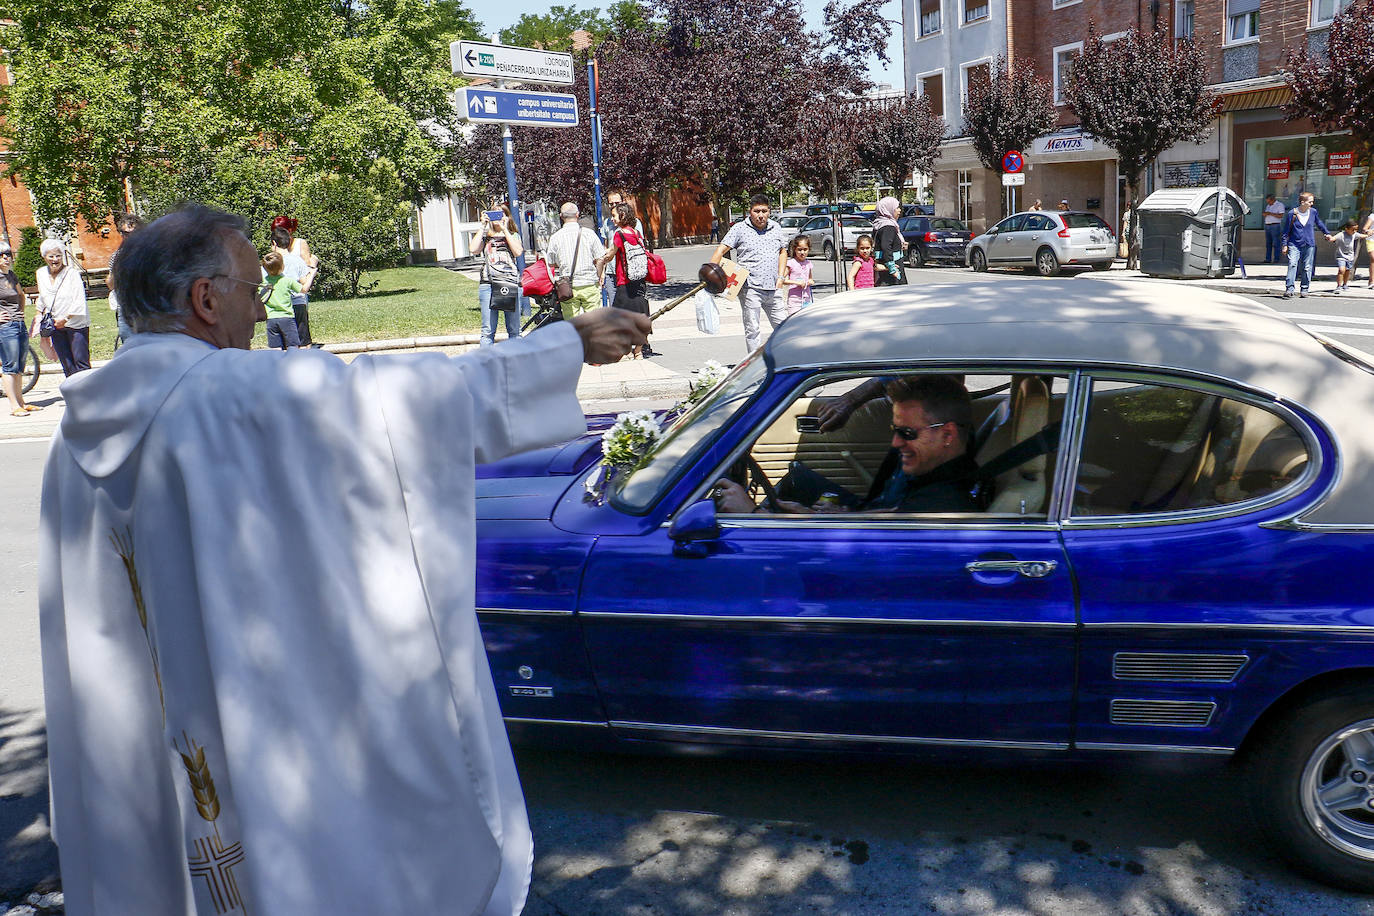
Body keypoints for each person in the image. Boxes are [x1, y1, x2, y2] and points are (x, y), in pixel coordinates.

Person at [38, 204, 649, 916]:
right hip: (246, 738)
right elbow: (406, 406)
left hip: (144, 750)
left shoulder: (71, 438)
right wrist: (565, 345)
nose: (262, 315)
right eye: (249, 289)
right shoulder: (228, 394)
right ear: (205, 300)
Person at [713, 375, 978, 514]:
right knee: (798, 478)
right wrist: (837, 513)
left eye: (907, 433)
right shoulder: (929, 472)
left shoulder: (941, 503)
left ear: (947, 435)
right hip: (864, 515)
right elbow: (885, 515)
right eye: (894, 430)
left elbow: (868, 550)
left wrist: (757, 515)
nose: (896, 442)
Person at [711, 194, 789, 352]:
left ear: (769, 211)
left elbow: (783, 251)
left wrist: (781, 277)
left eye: (764, 211)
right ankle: (754, 366)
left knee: (784, 327)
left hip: (774, 287)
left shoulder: (776, 228)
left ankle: (783, 359)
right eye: (757, 211)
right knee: (752, 329)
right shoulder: (739, 228)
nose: (761, 215)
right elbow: (721, 249)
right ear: (749, 211)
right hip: (750, 288)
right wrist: (711, 272)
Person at [597, 202, 654, 359]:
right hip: (639, 280)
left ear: (622, 216)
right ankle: (638, 351)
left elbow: (610, 255)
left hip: (625, 281)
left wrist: (600, 262)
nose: (612, 219)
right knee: (641, 315)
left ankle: (627, 350)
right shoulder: (636, 233)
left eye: (614, 216)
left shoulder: (619, 234)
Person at [469, 205, 523, 346]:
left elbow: (518, 252)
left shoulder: (513, 235)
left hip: (509, 282)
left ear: (506, 216)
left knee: (514, 330)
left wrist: (505, 229)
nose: (497, 219)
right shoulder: (486, 236)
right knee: (488, 330)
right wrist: (482, 226)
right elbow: (473, 249)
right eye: (494, 215)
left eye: (500, 215)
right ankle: (486, 363)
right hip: (489, 284)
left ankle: (517, 361)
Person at [36, 239, 90, 376]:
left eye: (58, 255)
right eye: (51, 256)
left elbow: (79, 300)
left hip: (75, 323)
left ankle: (89, 394)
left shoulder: (72, 273)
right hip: (55, 323)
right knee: (66, 363)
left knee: (81, 362)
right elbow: (43, 296)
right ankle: (73, 395)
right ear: (44, 257)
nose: (55, 259)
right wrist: (38, 313)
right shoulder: (41, 273)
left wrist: (65, 319)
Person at [547, 202, 605, 319]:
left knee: (572, 323)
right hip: (589, 283)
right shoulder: (589, 234)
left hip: (568, 286)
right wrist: (598, 275)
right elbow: (600, 258)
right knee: (595, 322)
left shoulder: (555, 237)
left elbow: (551, 262)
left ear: (561, 216)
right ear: (577, 214)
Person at [0, 244, 39, 416]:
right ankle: (14, 406)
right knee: (10, 366)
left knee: (19, 365)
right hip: (5, 327)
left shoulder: (11, 276)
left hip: (18, 324)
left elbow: (21, 295)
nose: (6, 257)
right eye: (1, 255)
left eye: (8, 254)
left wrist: (21, 314)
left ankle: (22, 402)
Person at [271, 216, 320, 348]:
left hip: (298, 291)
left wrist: (311, 268)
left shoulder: (300, 243)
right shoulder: (276, 247)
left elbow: (306, 265)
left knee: (300, 327)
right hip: (285, 295)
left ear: (290, 230)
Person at [261, 249, 316, 348]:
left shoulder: (263, 283)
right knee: (293, 347)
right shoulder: (287, 281)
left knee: (276, 349)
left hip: (271, 320)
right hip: (287, 318)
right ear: (282, 267)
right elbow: (304, 290)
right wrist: (311, 274)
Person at [1282, 191, 1330, 299]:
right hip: (1294, 243)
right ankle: (1289, 289)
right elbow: (1286, 231)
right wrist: (1284, 244)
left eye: (1312, 202)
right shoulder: (1292, 213)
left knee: (1307, 267)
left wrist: (1326, 233)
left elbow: (1319, 223)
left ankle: (1304, 289)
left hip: (1309, 243)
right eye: (1310, 202)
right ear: (1302, 202)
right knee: (1292, 264)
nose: (1312, 204)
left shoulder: (1313, 212)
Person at [871, 196, 907, 286]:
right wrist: (892, 269)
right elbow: (886, 246)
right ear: (888, 209)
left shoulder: (879, 224)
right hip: (891, 270)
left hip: (882, 265)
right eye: (897, 208)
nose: (899, 211)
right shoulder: (888, 226)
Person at [1329, 219, 1366, 294]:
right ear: (1346, 229)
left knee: (1347, 270)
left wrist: (1369, 233)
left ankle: (1345, 284)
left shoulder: (1354, 234)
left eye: (1356, 229)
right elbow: (1333, 238)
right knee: (1341, 270)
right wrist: (1329, 238)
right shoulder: (1341, 234)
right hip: (1341, 256)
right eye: (1353, 229)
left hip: (1350, 256)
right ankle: (1338, 286)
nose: (1354, 231)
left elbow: (1362, 236)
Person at [779, 234, 814, 315]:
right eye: (799, 250)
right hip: (794, 300)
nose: (802, 252)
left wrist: (810, 281)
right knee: (794, 321)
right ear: (795, 249)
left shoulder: (808, 263)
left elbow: (810, 278)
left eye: (805, 249)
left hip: (807, 299)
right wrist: (796, 282)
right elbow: (782, 279)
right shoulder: (791, 263)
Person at [1263, 194, 1286, 264]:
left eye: (1269, 201)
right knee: (1268, 243)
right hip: (1268, 225)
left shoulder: (1279, 205)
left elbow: (1281, 215)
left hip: (1275, 225)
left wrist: (1270, 213)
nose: (1268, 203)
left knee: (1276, 243)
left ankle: (1276, 259)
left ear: (1273, 200)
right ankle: (1268, 258)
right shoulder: (1268, 206)